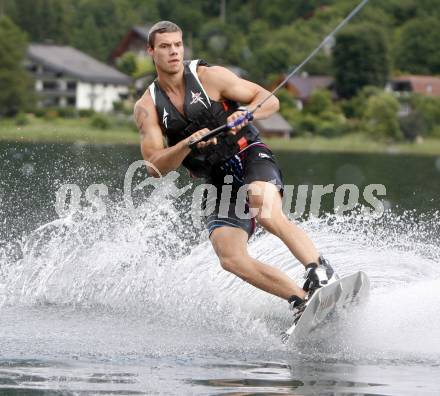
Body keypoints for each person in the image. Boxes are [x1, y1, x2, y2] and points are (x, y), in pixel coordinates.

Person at [134, 21, 337, 312]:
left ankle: (319, 269)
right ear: (151, 51)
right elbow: (155, 167)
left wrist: (247, 114)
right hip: (218, 181)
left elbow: (270, 101)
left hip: (249, 155)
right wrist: (185, 145)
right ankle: (301, 301)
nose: (174, 52)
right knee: (229, 256)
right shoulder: (147, 107)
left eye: (178, 45)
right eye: (165, 46)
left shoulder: (210, 77)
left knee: (264, 208)